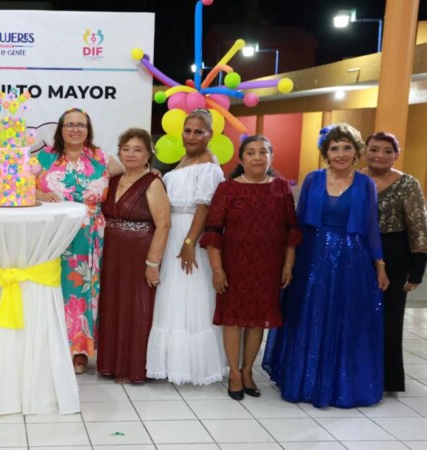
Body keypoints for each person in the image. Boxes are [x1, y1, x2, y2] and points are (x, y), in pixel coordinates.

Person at [263, 123, 389, 408]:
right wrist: (289, 261)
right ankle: (303, 381)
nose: (341, 154)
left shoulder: (365, 184)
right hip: (312, 256)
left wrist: (379, 264)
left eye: (347, 148)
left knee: (345, 318)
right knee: (309, 315)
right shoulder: (313, 179)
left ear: (357, 152)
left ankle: (340, 386)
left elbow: (370, 228)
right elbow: (297, 224)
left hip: (351, 259)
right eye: (334, 148)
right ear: (326, 152)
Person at [200, 135, 300, 400]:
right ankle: (233, 372)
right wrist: (217, 269)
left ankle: (247, 371)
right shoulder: (228, 188)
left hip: (269, 266)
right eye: (251, 153)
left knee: (258, 320)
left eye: (263, 152)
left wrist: (288, 264)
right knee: (233, 319)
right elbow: (213, 231)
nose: (257, 157)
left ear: (271, 157)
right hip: (234, 265)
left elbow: (291, 229)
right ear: (241, 159)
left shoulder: (281, 188)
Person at [35, 107, 122, 374]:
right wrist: (39, 193)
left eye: (80, 125)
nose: (75, 129)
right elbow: (17, 184)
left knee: (86, 293)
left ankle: (81, 351)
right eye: (69, 124)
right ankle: (53, 346)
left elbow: (133, 176)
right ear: (60, 129)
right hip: (54, 237)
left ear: (88, 130)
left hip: (91, 238)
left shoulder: (102, 158)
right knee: (54, 290)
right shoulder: (44, 158)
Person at [145, 109, 227, 385]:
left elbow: (205, 208)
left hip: (191, 235)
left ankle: (193, 366)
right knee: (171, 295)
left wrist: (190, 242)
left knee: (193, 296)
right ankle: (169, 362)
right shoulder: (183, 161)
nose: (191, 136)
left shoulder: (210, 165)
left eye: (198, 131)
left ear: (210, 135)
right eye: (187, 130)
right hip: (171, 234)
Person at [97, 128, 170, 384]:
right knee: (113, 306)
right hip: (113, 253)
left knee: (137, 308)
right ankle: (110, 364)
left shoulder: (153, 182)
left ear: (149, 154)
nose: (131, 154)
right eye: (126, 149)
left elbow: (163, 225)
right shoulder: (114, 179)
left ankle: (132, 367)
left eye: (138, 149)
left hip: (139, 253)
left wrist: (153, 263)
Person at [360, 131, 427, 393]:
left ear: (396, 156)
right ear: (364, 152)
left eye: (387, 151)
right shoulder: (354, 179)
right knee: (359, 315)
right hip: (358, 254)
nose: (380, 155)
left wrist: (417, 269)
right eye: (374, 149)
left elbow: (418, 227)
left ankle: (387, 379)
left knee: (389, 318)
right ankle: (356, 373)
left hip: (395, 255)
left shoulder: (408, 184)